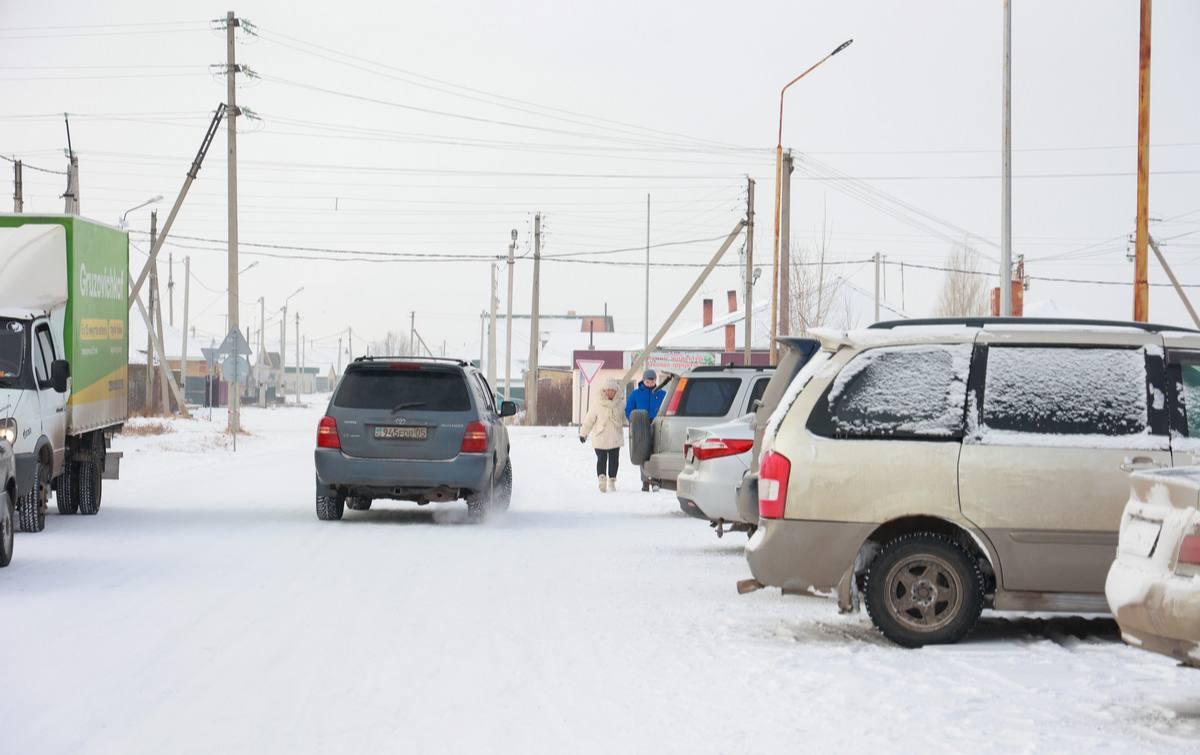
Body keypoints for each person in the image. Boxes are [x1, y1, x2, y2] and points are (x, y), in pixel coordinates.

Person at [579, 379, 625, 493]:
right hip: (600, 437)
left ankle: (612, 481)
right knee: (601, 460)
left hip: (615, 437)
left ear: (616, 391)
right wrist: (583, 433)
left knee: (614, 461)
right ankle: (602, 481)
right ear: (604, 391)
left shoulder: (621, 404)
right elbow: (589, 420)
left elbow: (626, 418)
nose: (610, 392)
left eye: (612, 390)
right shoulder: (597, 404)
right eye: (608, 390)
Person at [625, 369, 667, 491]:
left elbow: (667, 407)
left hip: (658, 426)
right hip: (641, 427)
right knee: (643, 454)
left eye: (652, 381)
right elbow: (629, 410)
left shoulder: (662, 394)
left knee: (656, 453)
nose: (650, 383)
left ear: (655, 381)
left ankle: (656, 480)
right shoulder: (636, 394)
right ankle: (645, 481)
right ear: (643, 380)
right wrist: (634, 422)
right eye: (647, 381)